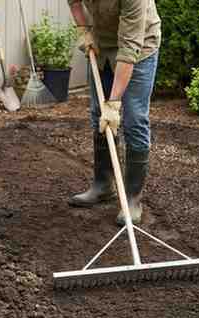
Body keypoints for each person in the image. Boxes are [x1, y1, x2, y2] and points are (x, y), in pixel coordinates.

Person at [67, 0, 161, 226]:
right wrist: (83, 30)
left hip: (138, 48)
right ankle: (103, 186)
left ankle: (131, 200)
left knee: (134, 119)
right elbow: (74, 2)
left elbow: (129, 50)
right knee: (98, 114)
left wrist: (114, 102)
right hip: (101, 44)